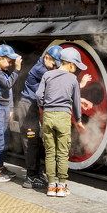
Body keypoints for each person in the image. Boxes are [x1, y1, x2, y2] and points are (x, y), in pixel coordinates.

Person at [36, 46, 86, 198]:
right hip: (64, 117)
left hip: (48, 116)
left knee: (50, 152)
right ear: (70, 64)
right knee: (63, 153)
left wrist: (45, 108)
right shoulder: (73, 79)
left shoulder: (47, 75)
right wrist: (78, 120)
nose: (76, 69)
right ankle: (62, 186)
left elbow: (38, 95)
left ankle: (51, 186)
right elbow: (77, 103)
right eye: (76, 66)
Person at [15, 45, 63, 189]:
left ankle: (36, 173)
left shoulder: (44, 66)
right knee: (30, 142)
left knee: (34, 141)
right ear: (47, 58)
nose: (54, 68)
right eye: (54, 64)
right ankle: (30, 178)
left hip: (31, 107)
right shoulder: (41, 70)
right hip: (27, 108)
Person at [0, 44, 22, 182]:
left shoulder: (3, 71)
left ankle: (0, 167)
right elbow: (8, 85)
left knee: (4, 140)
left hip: (5, 108)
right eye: (9, 61)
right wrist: (17, 70)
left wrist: (11, 109)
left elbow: (9, 93)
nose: (11, 64)